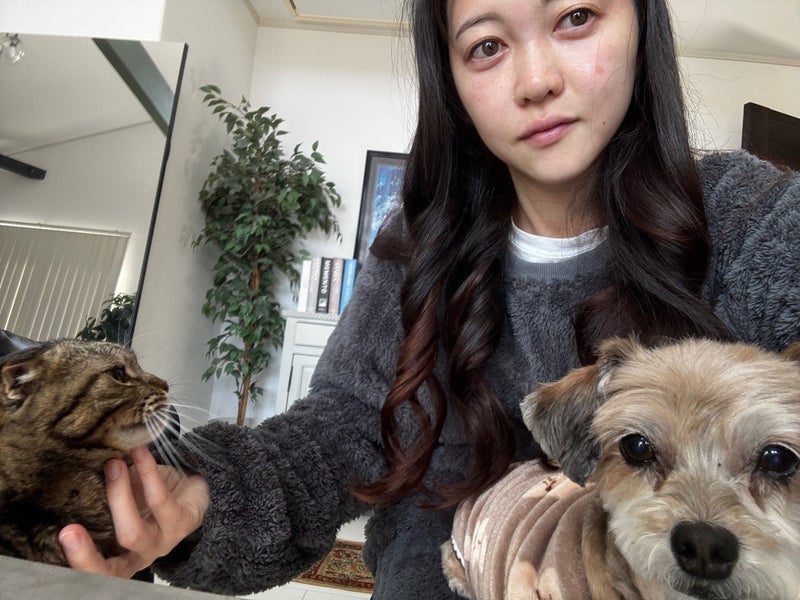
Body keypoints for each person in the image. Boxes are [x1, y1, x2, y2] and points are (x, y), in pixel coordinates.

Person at [58, 0, 800, 598]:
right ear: (450, 78)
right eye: (487, 45)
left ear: (642, 23)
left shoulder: (756, 220)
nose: (536, 79)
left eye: (575, 17)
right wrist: (201, 498)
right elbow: (338, 437)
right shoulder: (417, 243)